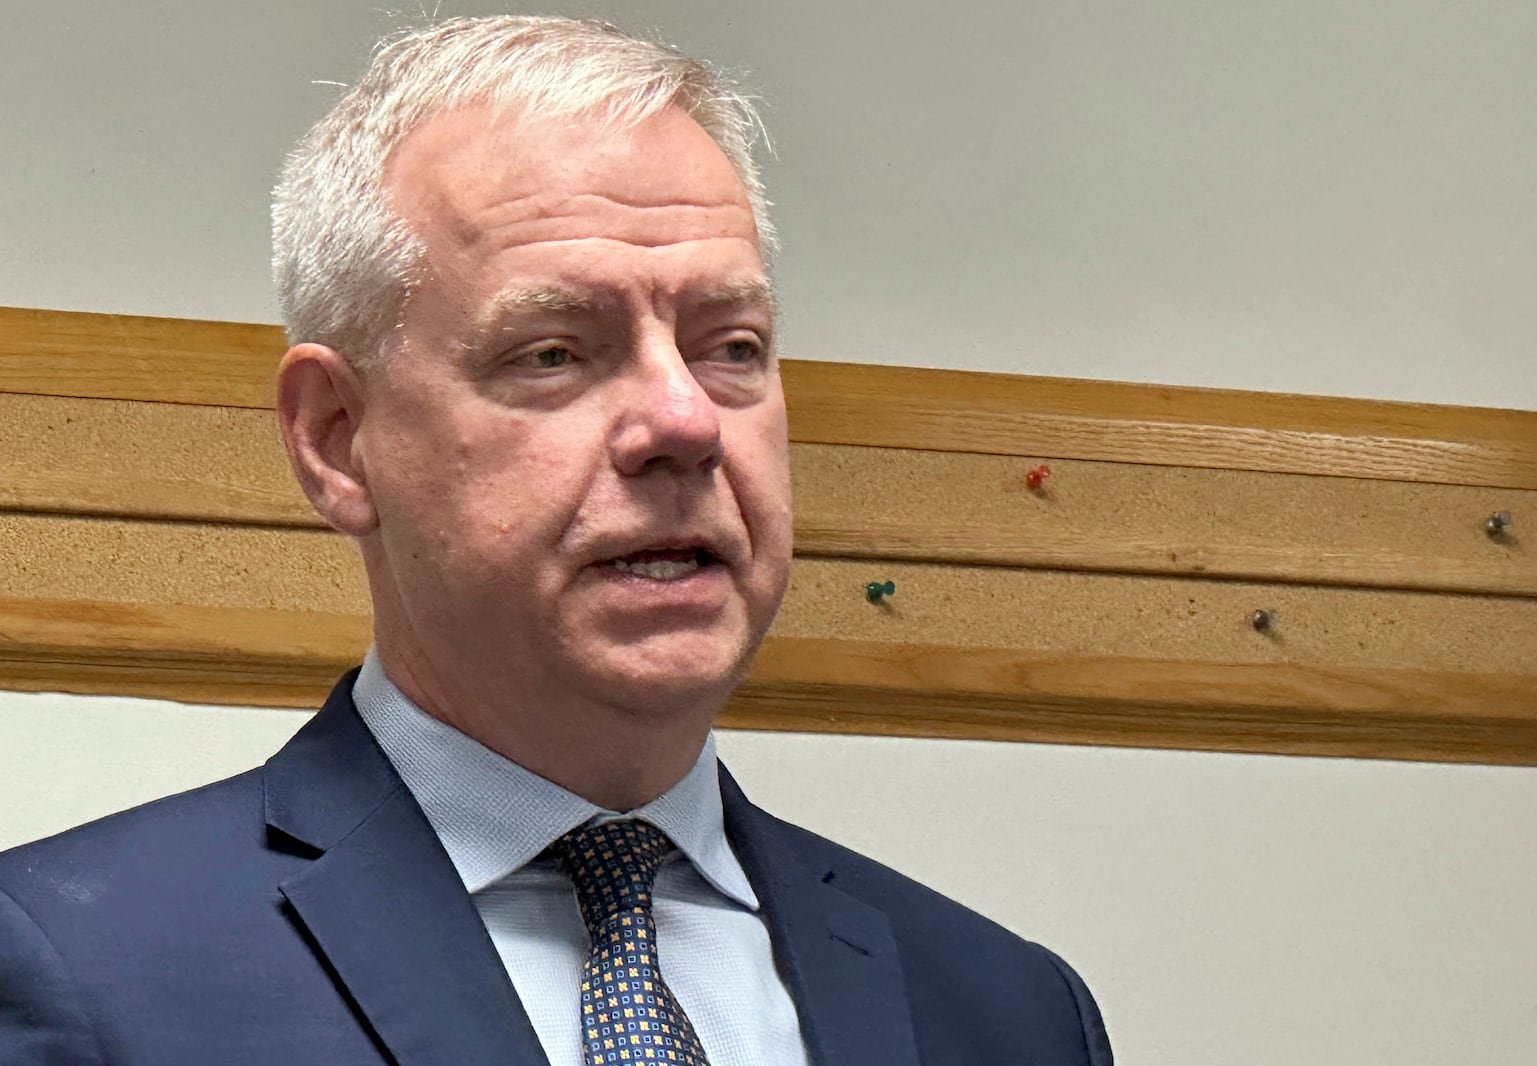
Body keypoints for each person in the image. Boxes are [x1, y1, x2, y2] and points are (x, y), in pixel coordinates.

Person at [0, 16, 1111, 1065]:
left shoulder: (1004, 1008)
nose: (684, 423)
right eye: (552, 353)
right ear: (339, 441)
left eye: (730, 346)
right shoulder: (81, 973)